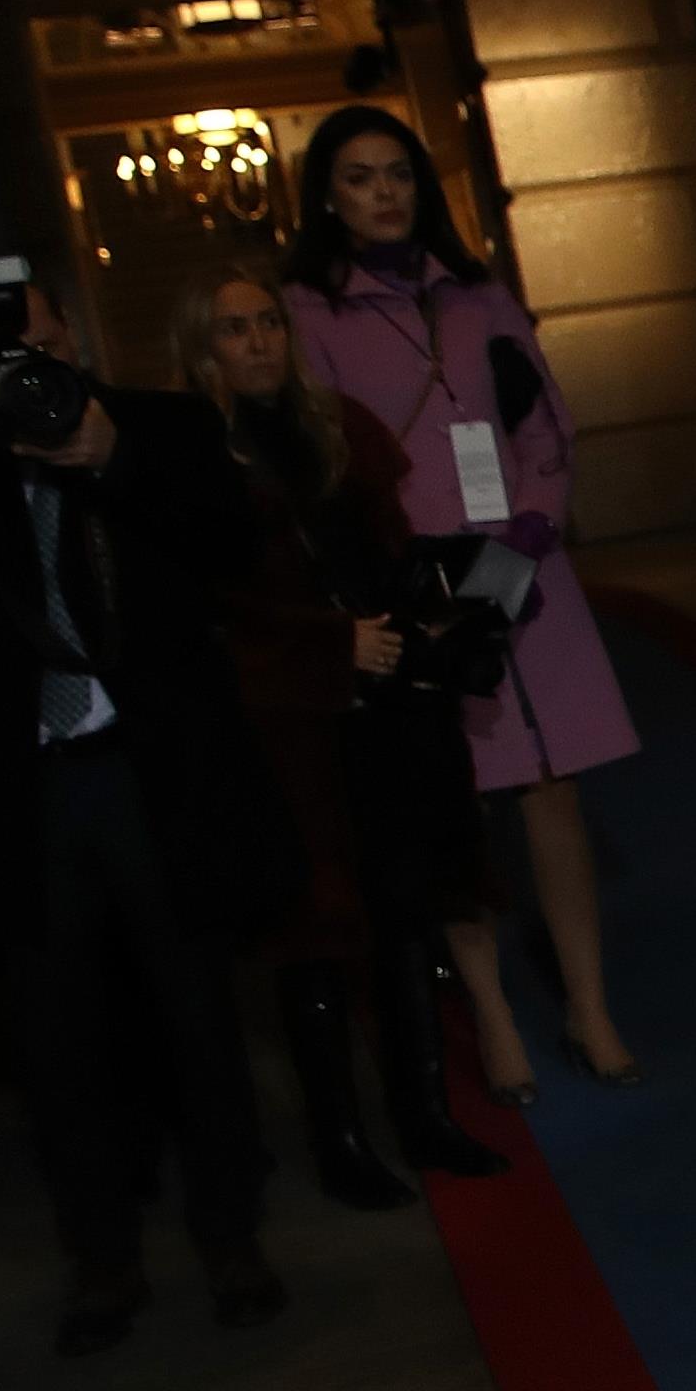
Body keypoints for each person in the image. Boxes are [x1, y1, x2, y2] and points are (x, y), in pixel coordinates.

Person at [0, 258, 296, 1349]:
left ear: (70, 338)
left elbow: (237, 553)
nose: (9, 369)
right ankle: (102, 1261)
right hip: (18, 798)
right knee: (57, 1044)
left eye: (29, 344)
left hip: (150, 775)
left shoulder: (158, 429)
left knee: (198, 1017)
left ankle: (231, 1233)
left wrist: (116, 461)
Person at [281, 106, 643, 1103]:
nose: (383, 192)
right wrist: (390, 573)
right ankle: (488, 1009)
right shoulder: (309, 312)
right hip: (418, 584)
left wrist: (532, 527)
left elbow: (544, 421)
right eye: (358, 177)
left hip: (521, 569)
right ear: (327, 196)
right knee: (449, 802)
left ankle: (589, 1002)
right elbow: (324, 465)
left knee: (552, 786)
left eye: (397, 173)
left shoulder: (478, 296)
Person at [171, 264, 514, 1199]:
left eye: (267, 322)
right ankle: (342, 1144)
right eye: (234, 328)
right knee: (316, 932)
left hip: (390, 712)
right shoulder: (196, 461)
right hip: (290, 733)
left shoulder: (339, 430)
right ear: (202, 346)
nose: (258, 342)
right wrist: (328, 648)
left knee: (406, 917)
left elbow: (391, 550)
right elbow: (208, 617)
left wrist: (428, 611)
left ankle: (429, 1121)